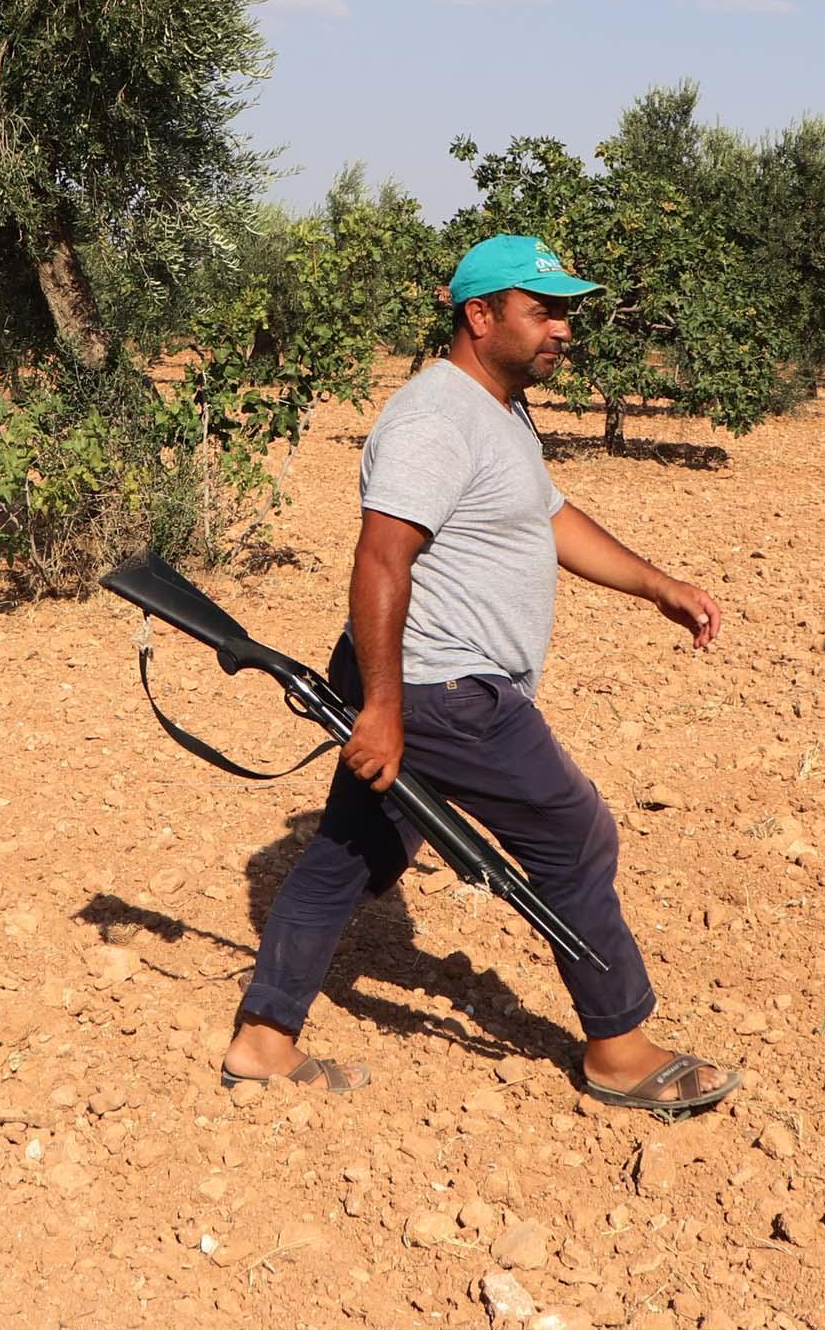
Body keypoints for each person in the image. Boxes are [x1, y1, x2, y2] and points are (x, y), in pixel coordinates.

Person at [221, 235, 737, 1114]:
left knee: (354, 849)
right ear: (481, 315)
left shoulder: (496, 409)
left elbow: (548, 515)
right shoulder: (435, 420)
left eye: (565, 312)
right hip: (445, 689)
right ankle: (618, 1048)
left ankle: (264, 1040)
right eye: (544, 311)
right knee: (574, 836)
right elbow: (381, 559)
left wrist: (658, 586)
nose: (563, 329)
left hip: (421, 684)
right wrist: (385, 708)